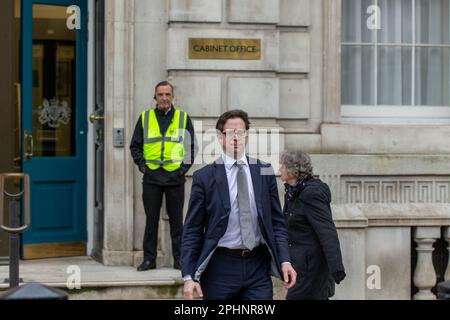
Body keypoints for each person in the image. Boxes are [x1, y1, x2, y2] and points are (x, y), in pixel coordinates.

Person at [181, 109, 297, 300]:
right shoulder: (204, 177)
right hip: (220, 266)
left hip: (257, 266)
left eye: (240, 133)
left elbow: (277, 222)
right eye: (230, 133)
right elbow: (192, 229)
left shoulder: (264, 171)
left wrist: (285, 260)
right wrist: (188, 276)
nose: (236, 138)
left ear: (247, 136)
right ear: (220, 137)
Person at [130, 81, 197, 271]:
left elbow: (190, 148)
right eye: (160, 94)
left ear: (172, 96)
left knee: (177, 221)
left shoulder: (183, 118)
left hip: (175, 178)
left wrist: (182, 169)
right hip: (151, 178)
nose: (164, 98)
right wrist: (143, 166)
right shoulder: (145, 117)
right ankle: (149, 260)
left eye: (168, 94)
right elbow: (135, 146)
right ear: (155, 97)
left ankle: (180, 260)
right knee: (151, 221)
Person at [279, 149, 346, 300]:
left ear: (292, 169)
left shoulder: (310, 193)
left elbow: (326, 231)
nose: (280, 170)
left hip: (311, 269)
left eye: (282, 166)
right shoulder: (292, 191)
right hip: (299, 265)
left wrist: (336, 268)